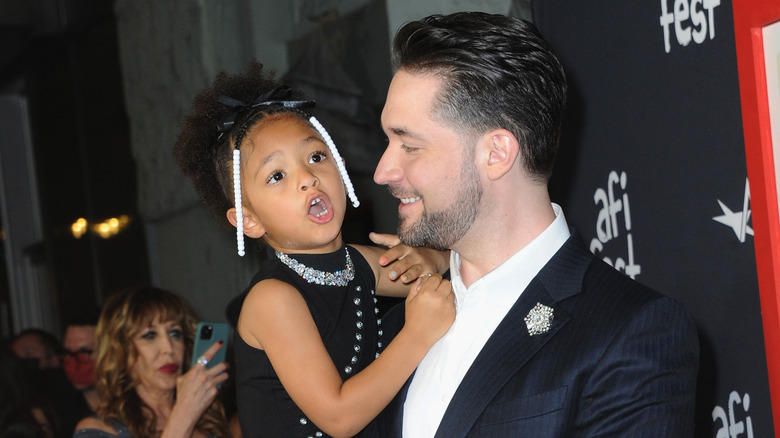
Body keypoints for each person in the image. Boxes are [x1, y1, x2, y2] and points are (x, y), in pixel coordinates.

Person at [369, 11, 700, 437]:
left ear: (497, 153)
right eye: (388, 141)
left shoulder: (627, 331)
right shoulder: (395, 329)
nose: (382, 170)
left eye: (410, 146)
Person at [172, 60, 455, 438]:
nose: (307, 178)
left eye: (316, 157)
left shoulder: (358, 264)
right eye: (277, 176)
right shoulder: (273, 300)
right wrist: (418, 333)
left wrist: (430, 256)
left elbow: (443, 267)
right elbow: (338, 416)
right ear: (249, 220)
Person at [73, 286, 229, 438]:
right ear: (121, 351)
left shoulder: (210, 424)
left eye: (175, 333)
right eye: (149, 336)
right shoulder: (98, 429)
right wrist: (184, 414)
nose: (168, 348)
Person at [63, 309, 102, 414]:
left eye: (85, 351)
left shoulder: (140, 406)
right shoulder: (60, 409)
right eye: (68, 352)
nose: (73, 363)